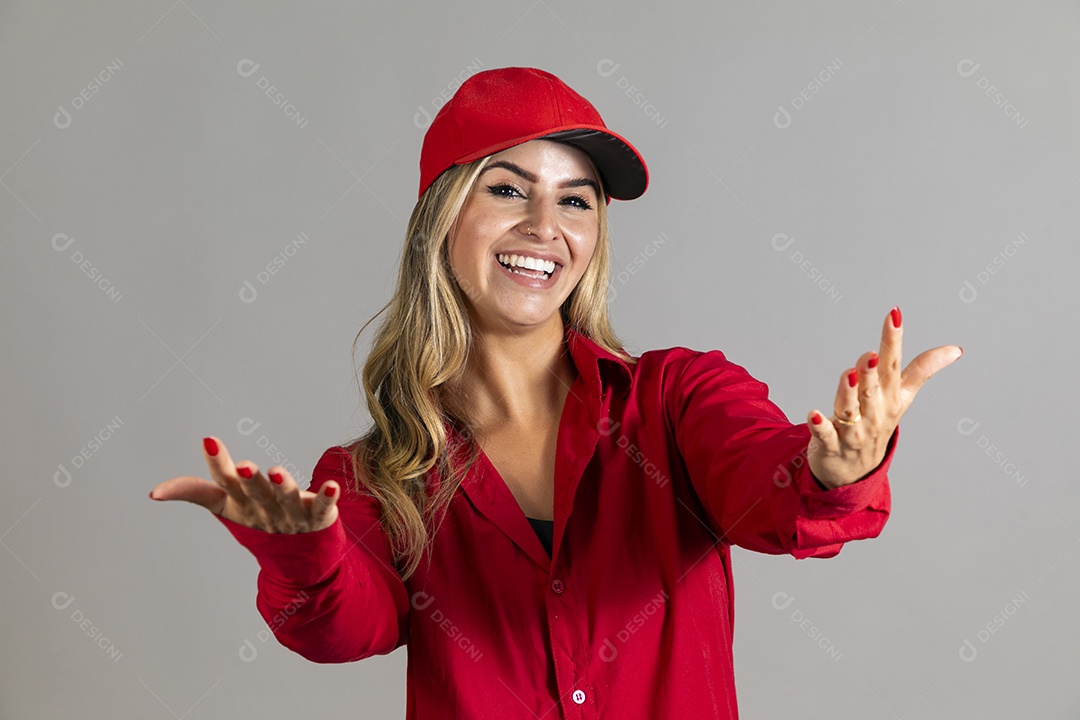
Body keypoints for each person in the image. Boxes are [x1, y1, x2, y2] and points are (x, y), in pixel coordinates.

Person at [150, 66, 962, 718]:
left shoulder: (675, 399)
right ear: (442, 217)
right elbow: (342, 629)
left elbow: (769, 494)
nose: (546, 224)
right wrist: (302, 554)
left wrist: (833, 472)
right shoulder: (374, 476)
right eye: (508, 189)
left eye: (575, 200)